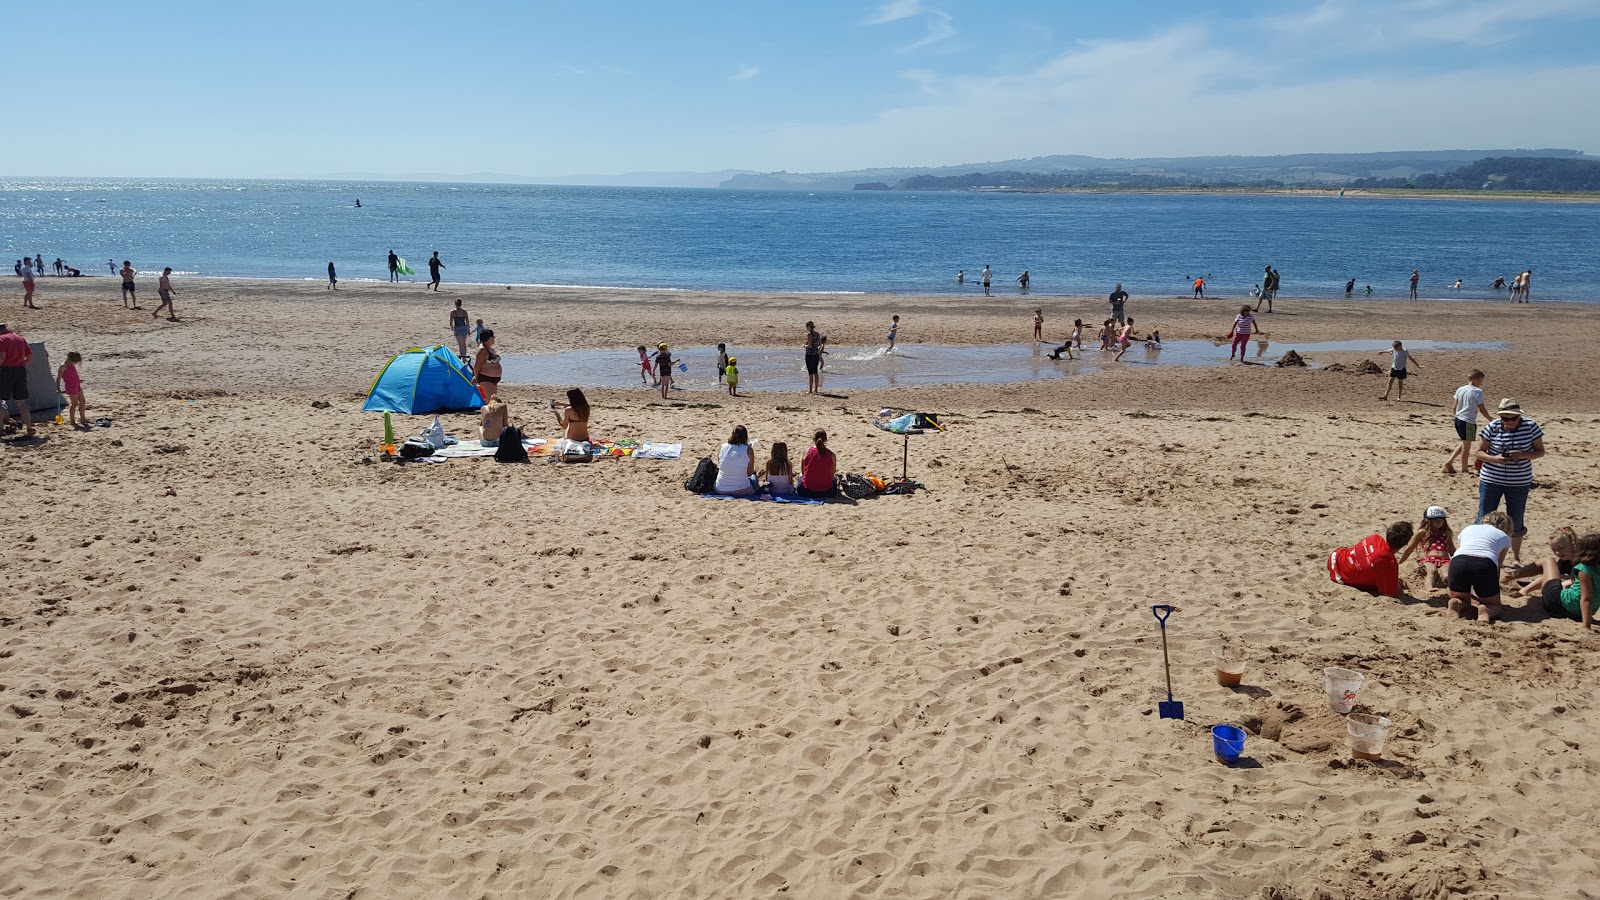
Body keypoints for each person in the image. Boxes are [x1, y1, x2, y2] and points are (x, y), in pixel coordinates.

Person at [1474, 399, 1545, 562]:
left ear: (1519, 416)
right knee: (1484, 516)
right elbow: (1478, 452)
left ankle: (1516, 557)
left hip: (1519, 482)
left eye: (1514, 418)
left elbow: (1540, 451)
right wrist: (1494, 458)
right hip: (1491, 479)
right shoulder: (1492, 427)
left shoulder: (1531, 426)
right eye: (1505, 419)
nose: (1510, 422)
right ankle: (1481, 552)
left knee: (1516, 519)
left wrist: (1523, 454)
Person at [1448, 511, 1514, 622]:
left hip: (1458, 562)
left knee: (1462, 599)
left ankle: (1456, 603)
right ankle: (1486, 610)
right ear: (1502, 526)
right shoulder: (1504, 536)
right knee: (1495, 606)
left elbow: (1459, 551)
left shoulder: (1468, 529)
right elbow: (1497, 565)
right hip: (1484, 564)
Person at [1327, 521, 1414, 598]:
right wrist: (1395, 584)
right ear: (1405, 544)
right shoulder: (1389, 562)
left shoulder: (1375, 538)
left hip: (1334, 557)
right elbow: (1390, 593)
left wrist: (1392, 577)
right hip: (1341, 577)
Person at [1541, 533, 1597, 631]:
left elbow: (1586, 599)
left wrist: (1586, 626)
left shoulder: (1583, 569)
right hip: (1578, 613)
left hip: (1556, 604)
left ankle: (1513, 576)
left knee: (1548, 561)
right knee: (1562, 581)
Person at [1396, 506, 1455, 591]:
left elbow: (1452, 548)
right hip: (1430, 559)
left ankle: (1452, 589)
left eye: (1442, 518)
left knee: (1447, 574)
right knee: (1432, 571)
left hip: (1445, 559)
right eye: (1435, 518)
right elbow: (1410, 548)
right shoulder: (1423, 532)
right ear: (1428, 520)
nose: (1439, 520)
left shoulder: (1447, 533)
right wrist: (1400, 562)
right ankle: (1429, 587)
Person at [1444, 369, 1490, 475]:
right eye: (1481, 380)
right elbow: (1482, 408)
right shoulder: (1478, 392)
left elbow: (1454, 406)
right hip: (1468, 422)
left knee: (1464, 443)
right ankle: (1464, 469)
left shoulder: (1461, 389)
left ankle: (1449, 462)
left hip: (1458, 419)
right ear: (1476, 380)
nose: (1482, 383)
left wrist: (1456, 416)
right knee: (1466, 447)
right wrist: (1490, 419)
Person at [1511, 526, 1578, 598]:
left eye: (1561, 547)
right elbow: (1549, 578)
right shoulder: (1564, 562)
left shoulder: (1583, 560)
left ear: (1572, 543)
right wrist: (1524, 591)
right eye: (1554, 550)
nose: (1557, 553)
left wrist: (1567, 583)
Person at [0, 323, 34, 438]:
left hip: (5, 371)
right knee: (21, 402)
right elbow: (29, 357)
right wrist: (18, 363)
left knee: (0, 401)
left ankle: (1, 430)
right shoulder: (20, 338)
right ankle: (29, 428)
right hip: (20, 370)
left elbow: (2, 357)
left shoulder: (1, 339)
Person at [713, 425, 758, 496]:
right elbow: (749, 472)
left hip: (720, 488)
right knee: (754, 477)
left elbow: (721, 464)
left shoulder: (722, 447)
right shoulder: (748, 450)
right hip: (741, 489)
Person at [797, 429, 837, 499]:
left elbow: (803, 472)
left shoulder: (806, 452)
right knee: (835, 479)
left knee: (800, 476)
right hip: (828, 492)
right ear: (826, 440)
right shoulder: (832, 455)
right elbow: (832, 473)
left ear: (813, 439)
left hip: (806, 491)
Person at [473, 330, 502, 401]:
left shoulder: (489, 348)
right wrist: (476, 377)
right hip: (486, 378)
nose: (494, 338)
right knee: (491, 401)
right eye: (493, 336)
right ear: (489, 338)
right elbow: (477, 366)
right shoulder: (482, 350)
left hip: (494, 379)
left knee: (494, 400)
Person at [804, 322, 822, 394]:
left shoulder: (809, 335)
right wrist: (815, 346)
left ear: (809, 327)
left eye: (807, 327)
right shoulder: (817, 334)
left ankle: (810, 390)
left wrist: (804, 346)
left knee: (810, 373)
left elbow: (809, 346)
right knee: (816, 372)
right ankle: (816, 389)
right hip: (816, 354)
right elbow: (820, 344)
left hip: (809, 355)